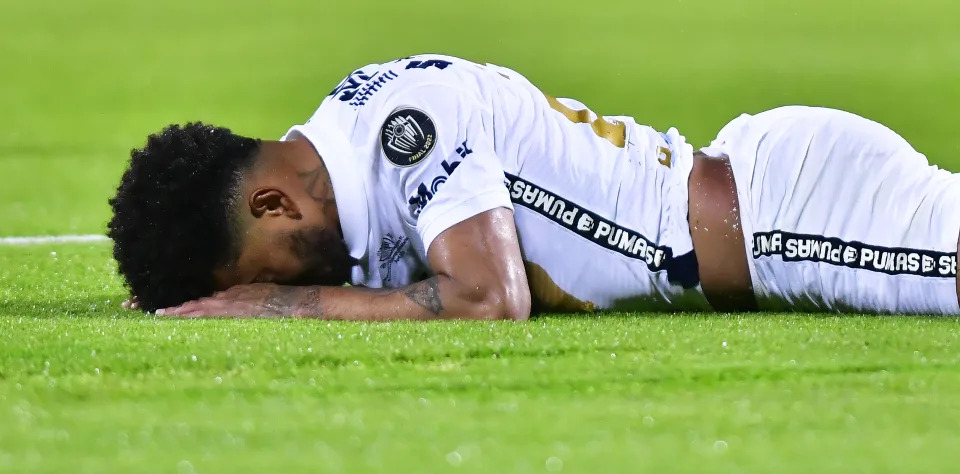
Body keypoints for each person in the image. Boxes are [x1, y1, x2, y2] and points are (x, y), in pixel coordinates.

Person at [108, 54, 960, 319]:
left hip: (795, 216)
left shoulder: (404, 127)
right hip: (759, 193)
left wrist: (277, 309)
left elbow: (488, 298)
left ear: (271, 204)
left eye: (265, 271)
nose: (289, 286)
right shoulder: (354, 157)